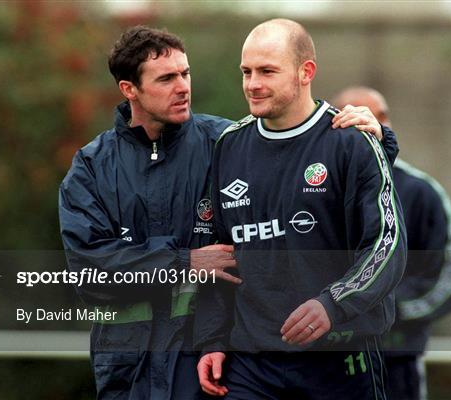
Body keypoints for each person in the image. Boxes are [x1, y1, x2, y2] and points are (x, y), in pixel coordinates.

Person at [58, 26, 395, 400]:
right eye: (167, 78)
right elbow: (91, 271)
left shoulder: (221, 142)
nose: (183, 87)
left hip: (204, 364)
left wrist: (379, 140)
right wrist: (183, 261)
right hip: (128, 364)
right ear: (129, 89)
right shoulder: (91, 167)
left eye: (185, 74)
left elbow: (317, 161)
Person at [196, 19, 407, 400]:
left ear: (305, 71)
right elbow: (217, 255)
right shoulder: (229, 145)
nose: (252, 84)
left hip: (340, 361)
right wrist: (212, 338)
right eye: (246, 71)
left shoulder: (351, 141)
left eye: (267, 71)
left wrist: (334, 303)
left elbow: (387, 243)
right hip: (251, 367)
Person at [333, 86, 451, 400]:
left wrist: (386, 308)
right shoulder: (315, 191)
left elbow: (449, 277)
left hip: (395, 363)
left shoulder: (421, 192)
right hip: (324, 363)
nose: (368, 127)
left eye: (377, 118)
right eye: (354, 120)